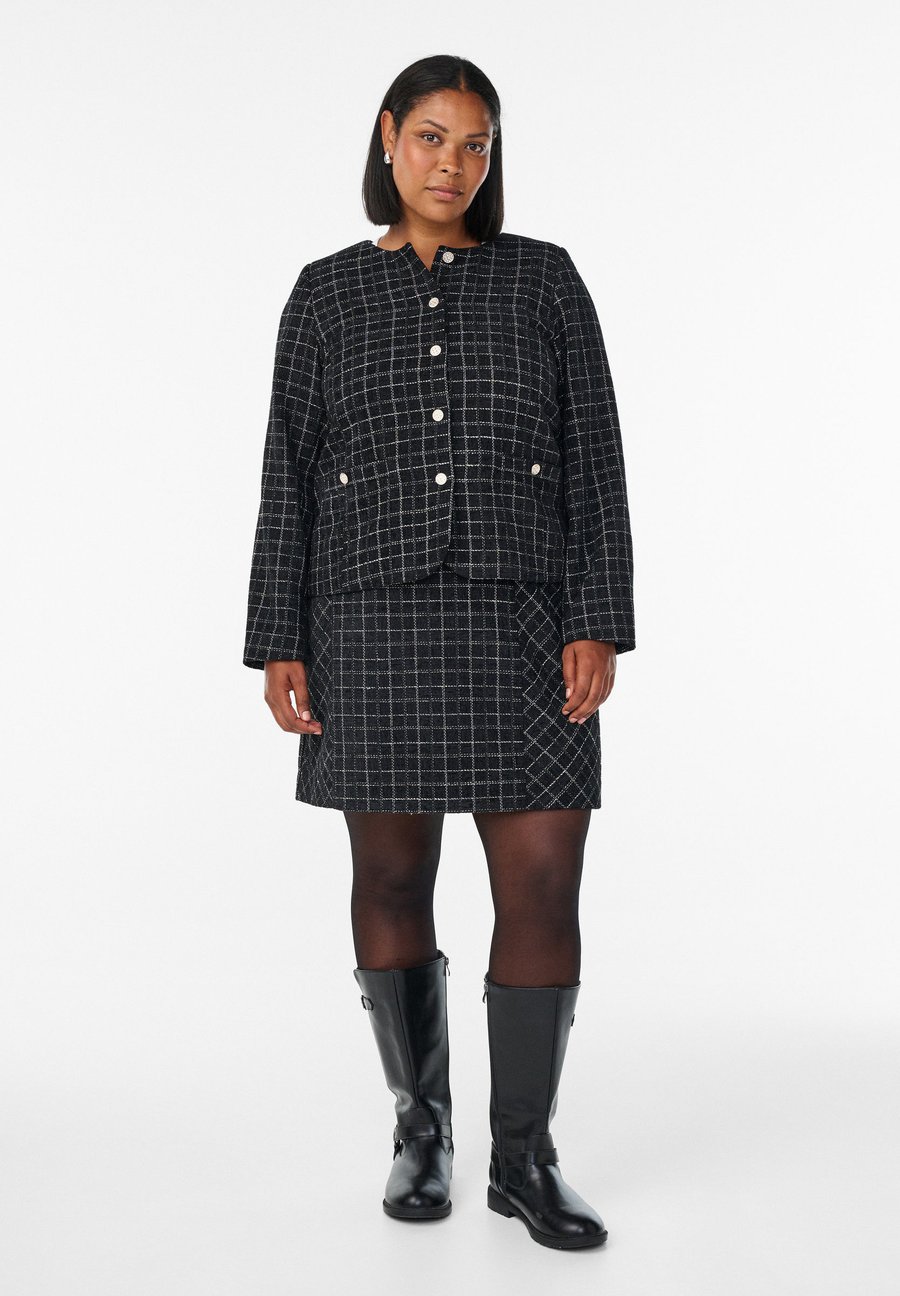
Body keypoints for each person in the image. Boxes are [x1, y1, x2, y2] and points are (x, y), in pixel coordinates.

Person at [242, 54, 636, 1251]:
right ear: (387, 139)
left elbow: (595, 456)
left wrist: (596, 617)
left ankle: (525, 1158)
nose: (454, 164)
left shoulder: (545, 280)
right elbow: (287, 472)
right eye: (431, 137)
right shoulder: (324, 294)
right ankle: (422, 1128)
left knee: (544, 881)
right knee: (392, 879)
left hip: (526, 623)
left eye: (476, 144)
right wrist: (278, 637)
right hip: (369, 625)